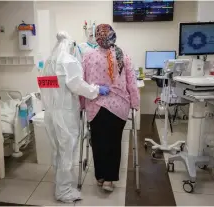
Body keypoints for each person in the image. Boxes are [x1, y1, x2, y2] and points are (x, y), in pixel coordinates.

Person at [39, 31, 110, 203]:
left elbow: (44, 85)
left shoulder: (49, 61)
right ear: (71, 45)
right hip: (66, 114)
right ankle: (63, 191)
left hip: (51, 112)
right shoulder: (69, 61)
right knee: (67, 152)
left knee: (58, 150)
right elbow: (77, 85)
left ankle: (60, 183)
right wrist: (96, 90)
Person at [81, 24, 140, 192]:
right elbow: (132, 83)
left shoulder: (88, 56)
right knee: (114, 143)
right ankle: (109, 180)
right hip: (119, 107)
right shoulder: (123, 56)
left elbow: (82, 82)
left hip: (95, 105)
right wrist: (135, 103)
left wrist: (80, 104)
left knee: (98, 143)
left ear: (97, 38)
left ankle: (100, 176)